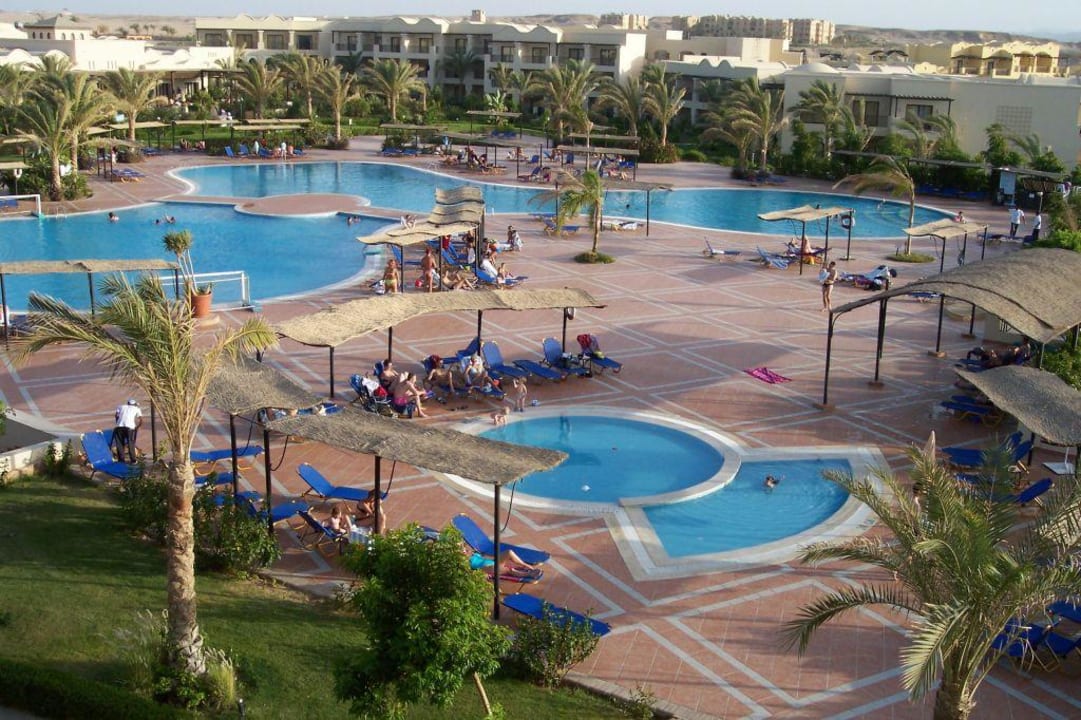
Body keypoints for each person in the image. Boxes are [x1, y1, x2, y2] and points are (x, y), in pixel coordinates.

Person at [463, 543, 541, 579]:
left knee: (509, 553)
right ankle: (529, 573)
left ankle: (525, 566)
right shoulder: (464, 561)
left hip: (494, 563)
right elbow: (468, 571)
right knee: (509, 569)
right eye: (463, 550)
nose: (465, 550)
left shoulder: (474, 553)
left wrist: (477, 553)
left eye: (465, 549)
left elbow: (488, 557)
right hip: (487, 568)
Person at [113, 398, 142, 463]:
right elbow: (141, 420)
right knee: (130, 443)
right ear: (134, 404)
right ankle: (133, 460)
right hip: (129, 428)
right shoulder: (137, 409)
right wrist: (137, 427)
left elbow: (116, 415)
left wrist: (118, 423)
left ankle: (121, 460)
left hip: (119, 428)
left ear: (128, 403)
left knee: (120, 444)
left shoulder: (121, 406)